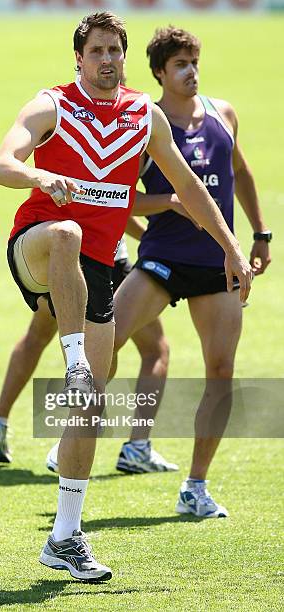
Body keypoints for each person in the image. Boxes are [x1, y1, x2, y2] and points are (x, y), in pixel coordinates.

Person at [0, 11, 252, 582]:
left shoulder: (143, 114)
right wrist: (38, 179)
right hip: (36, 245)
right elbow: (1, 164)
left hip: (98, 268)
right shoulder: (52, 105)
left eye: (116, 50)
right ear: (78, 59)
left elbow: (186, 185)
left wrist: (232, 247)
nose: (107, 59)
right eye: (97, 51)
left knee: (88, 407)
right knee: (69, 233)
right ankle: (76, 362)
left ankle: (65, 537)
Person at [108, 25, 271, 518]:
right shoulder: (145, 125)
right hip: (161, 258)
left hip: (216, 263)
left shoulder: (224, 114)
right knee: (100, 345)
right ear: (159, 72)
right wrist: (169, 204)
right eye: (180, 64)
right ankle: (76, 440)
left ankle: (195, 486)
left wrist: (259, 235)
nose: (191, 72)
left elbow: (241, 173)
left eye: (194, 62)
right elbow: (121, 198)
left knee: (220, 372)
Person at [0, 220, 177, 474]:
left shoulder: (54, 179)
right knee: (154, 350)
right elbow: (118, 204)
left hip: (56, 257)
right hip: (106, 262)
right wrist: (157, 238)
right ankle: (133, 446)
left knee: (36, 338)